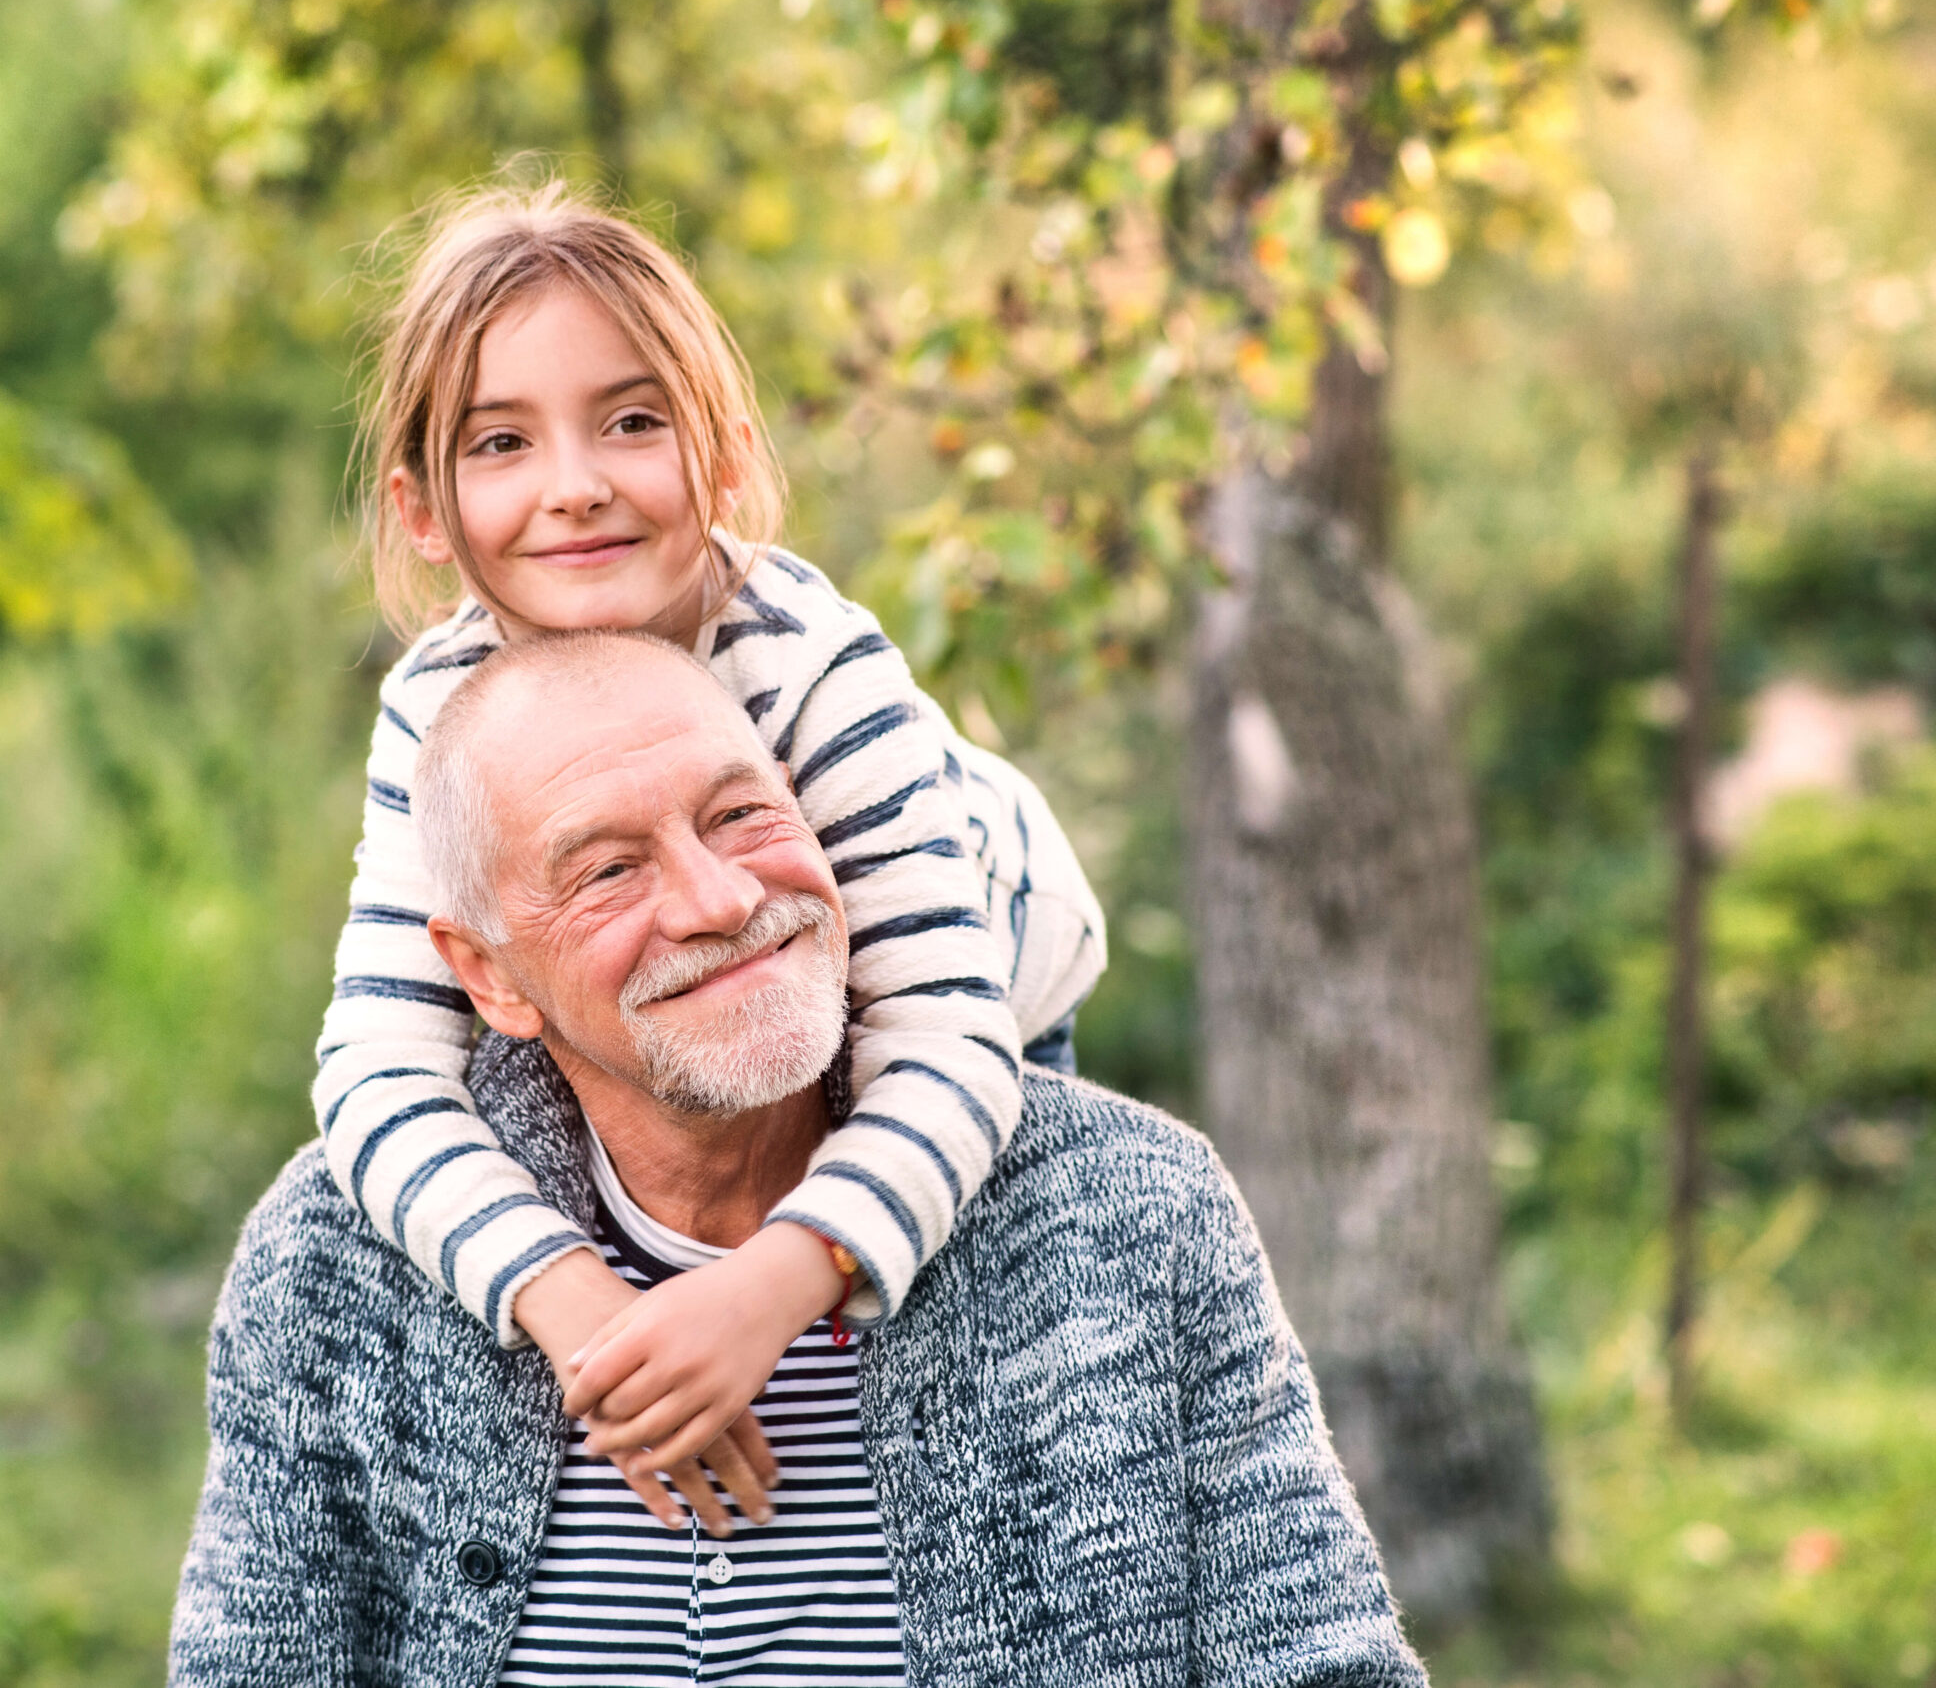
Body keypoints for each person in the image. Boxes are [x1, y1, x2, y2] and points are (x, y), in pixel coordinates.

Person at [171, 630, 1425, 1686]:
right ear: (489, 975)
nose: (718, 898)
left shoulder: (1132, 1213)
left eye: (741, 814)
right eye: (608, 870)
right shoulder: (332, 1265)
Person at [315, 180, 1106, 1520]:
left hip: (970, 1005)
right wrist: (577, 1305)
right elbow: (378, 1073)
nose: (575, 488)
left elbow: (946, 1035)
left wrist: (776, 1280)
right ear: (424, 510)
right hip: (680, 1059)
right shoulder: (438, 713)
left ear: (726, 454)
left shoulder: (808, 662)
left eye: (632, 421)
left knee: (966, 1380)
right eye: (502, 442)